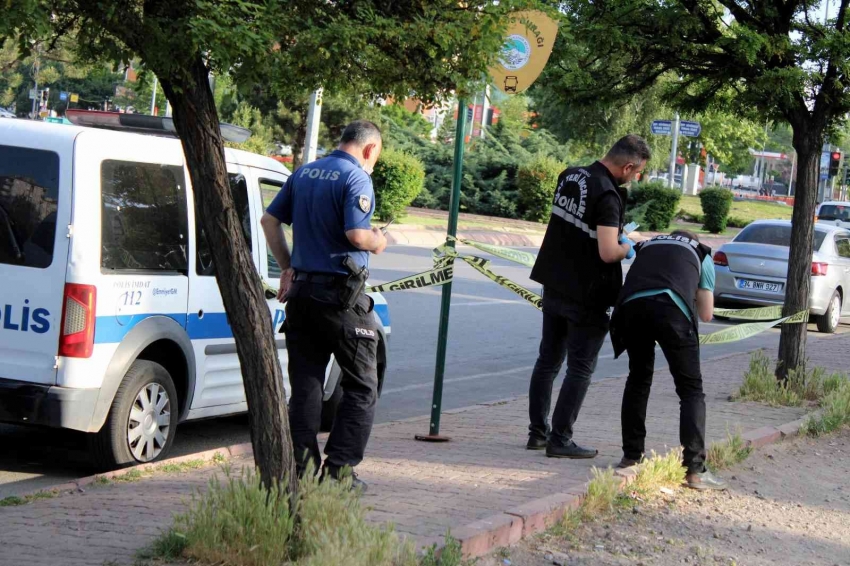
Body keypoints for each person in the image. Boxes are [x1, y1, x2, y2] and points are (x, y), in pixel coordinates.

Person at [261, 120, 387, 492]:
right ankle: (339, 474)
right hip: (341, 299)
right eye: (376, 157)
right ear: (369, 149)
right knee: (363, 385)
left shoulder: (304, 172)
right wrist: (379, 241)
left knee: (306, 387)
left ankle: (301, 470)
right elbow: (356, 235)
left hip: (301, 298)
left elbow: (270, 221)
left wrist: (287, 267)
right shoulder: (356, 177)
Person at [526, 135, 650, 458]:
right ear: (628, 166)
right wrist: (628, 246)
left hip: (553, 282)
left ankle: (538, 433)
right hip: (587, 294)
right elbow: (608, 252)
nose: (635, 180)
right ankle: (560, 439)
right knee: (580, 368)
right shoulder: (608, 194)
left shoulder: (571, 175)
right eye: (637, 174)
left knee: (548, 360)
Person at [609, 229, 726, 490]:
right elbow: (706, 314)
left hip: (631, 308)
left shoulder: (649, 245)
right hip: (673, 310)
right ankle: (695, 470)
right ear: (693, 239)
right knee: (691, 390)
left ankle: (631, 456)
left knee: (638, 379)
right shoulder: (701, 252)